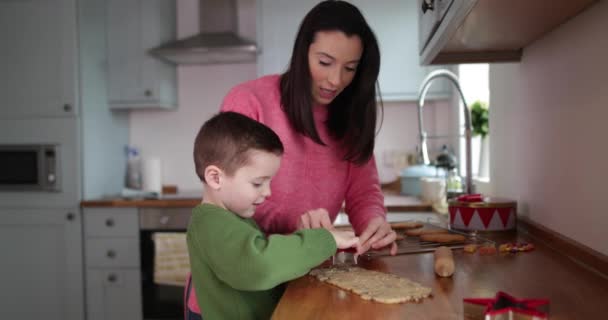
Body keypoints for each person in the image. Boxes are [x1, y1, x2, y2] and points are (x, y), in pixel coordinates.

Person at [186, 0, 397, 317]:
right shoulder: (250, 100)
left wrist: (373, 226)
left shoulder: (352, 117)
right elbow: (235, 212)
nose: (336, 79)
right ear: (302, 54)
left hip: (296, 281)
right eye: (325, 62)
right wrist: (309, 239)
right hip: (234, 299)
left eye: (350, 68)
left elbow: (364, 192)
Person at [186, 111, 359, 320]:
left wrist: (299, 239)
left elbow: (263, 255)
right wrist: (325, 239)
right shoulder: (210, 224)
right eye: (258, 183)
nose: (268, 192)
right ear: (215, 178)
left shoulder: (233, 216)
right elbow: (260, 266)